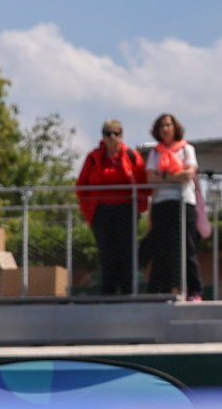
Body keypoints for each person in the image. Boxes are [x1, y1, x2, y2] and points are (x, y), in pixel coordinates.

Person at [76, 120, 149, 296]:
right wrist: (88, 211)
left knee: (127, 252)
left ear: (121, 136)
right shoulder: (93, 157)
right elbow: (81, 186)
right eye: (108, 133)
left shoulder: (131, 155)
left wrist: (141, 208)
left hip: (126, 210)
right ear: (102, 136)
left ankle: (128, 292)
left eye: (116, 133)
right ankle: (108, 293)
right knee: (107, 252)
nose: (112, 137)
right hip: (101, 212)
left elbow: (143, 182)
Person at [142, 112, 204, 299]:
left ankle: (194, 290)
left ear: (175, 127)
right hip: (162, 203)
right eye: (162, 126)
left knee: (187, 246)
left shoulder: (187, 149)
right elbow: (150, 178)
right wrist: (173, 176)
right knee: (162, 248)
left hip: (184, 201)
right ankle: (159, 289)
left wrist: (164, 176)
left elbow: (188, 174)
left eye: (168, 125)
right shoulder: (155, 152)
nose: (165, 129)